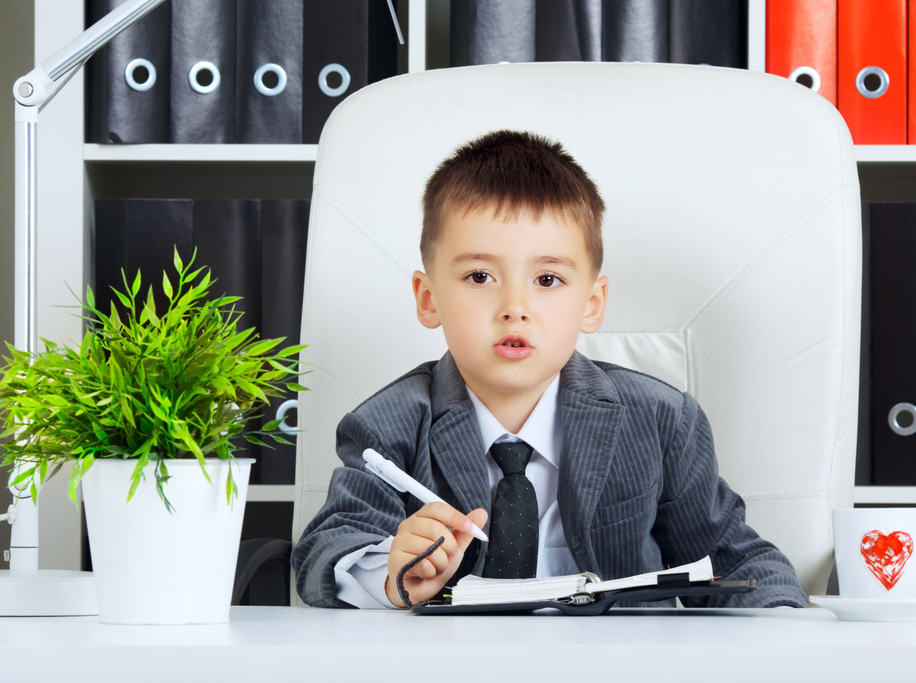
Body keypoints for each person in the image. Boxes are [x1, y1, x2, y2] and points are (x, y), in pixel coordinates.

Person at [290, 129, 808, 609]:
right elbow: (326, 548)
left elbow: (737, 561)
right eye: (479, 275)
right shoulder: (388, 424)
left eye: (548, 280)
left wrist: (784, 625)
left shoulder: (662, 420)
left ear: (592, 303)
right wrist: (389, 573)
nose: (514, 306)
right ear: (428, 299)